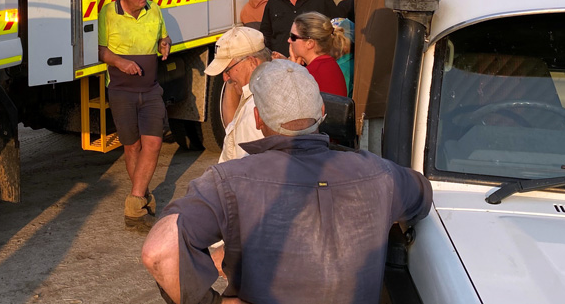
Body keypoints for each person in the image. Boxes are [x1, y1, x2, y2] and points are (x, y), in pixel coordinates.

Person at [141, 59, 433, 304]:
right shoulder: (380, 173)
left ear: (257, 119)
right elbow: (422, 195)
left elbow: (159, 252)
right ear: (322, 112)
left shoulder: (227, 181)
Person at [98, 0, 173, 232]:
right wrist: (120, 62)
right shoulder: (107, 13)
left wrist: (165, 43)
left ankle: (135, 205)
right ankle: (140, 197)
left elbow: (163, 37)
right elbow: (101, 50)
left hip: (151, 89)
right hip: (121, 91)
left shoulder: (154, 10)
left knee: (154, 143)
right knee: (132, 147)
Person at [203, 26, 272, 163]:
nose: (224, 78)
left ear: (252, 62)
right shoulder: (261, 93)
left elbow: (249, 168)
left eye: (227, 69)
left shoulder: (255, 109)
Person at [288, 11, 349, 97]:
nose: (289, 40)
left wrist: (292, 71)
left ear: (310, 43)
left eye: (293, 37)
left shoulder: (310, 75)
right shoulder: (329, 64)